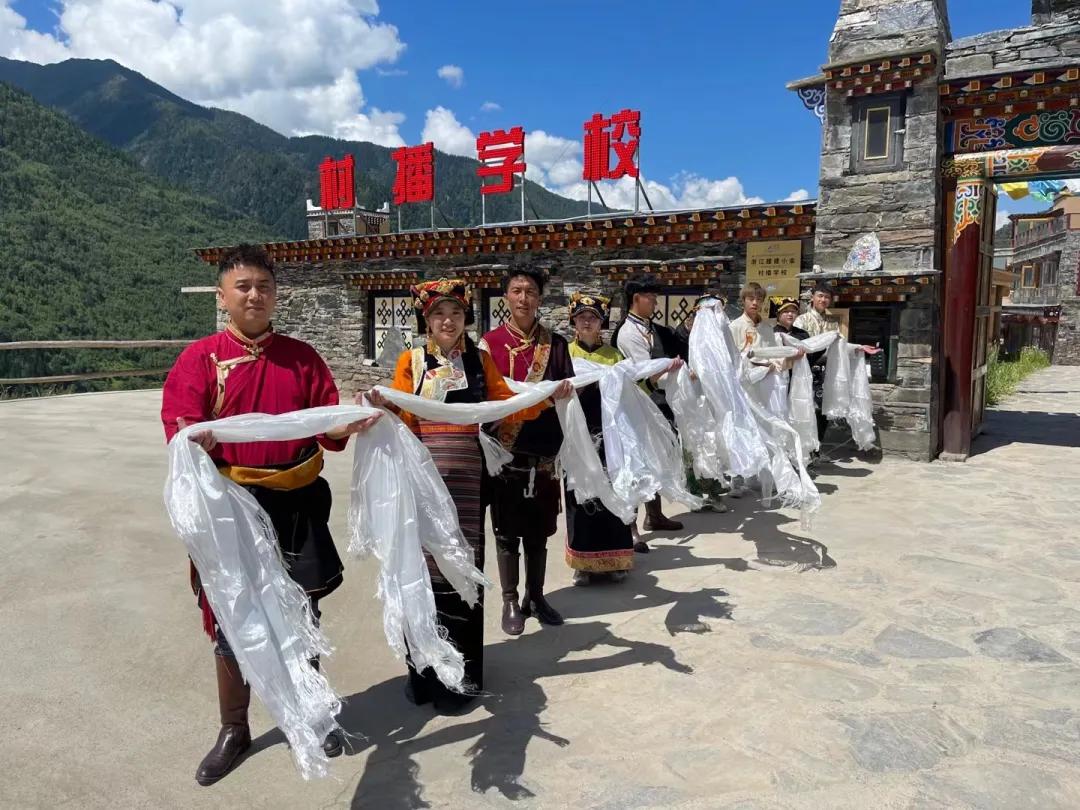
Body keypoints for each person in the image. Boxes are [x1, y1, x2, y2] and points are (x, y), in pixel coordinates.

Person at [161, 244, 379, 786]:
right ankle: (234, 728)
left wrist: (347, 422)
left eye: (264, 286)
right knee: (233, 616)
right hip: (230, 507)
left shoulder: (302, 358)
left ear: (276, 294)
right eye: (243, 286)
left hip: (296, 502)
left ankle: (312, 708)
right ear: (222, 296)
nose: (254, 295)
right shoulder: (200, 360)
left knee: (302, 612)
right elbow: (180, 428)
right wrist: (196, 442)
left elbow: (326, 426)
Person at [367, 278, 567, 710]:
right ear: (426, 320)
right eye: (439, 314)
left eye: (455, 313)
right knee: (424, 574)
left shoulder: (479, 360)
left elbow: (506, 402)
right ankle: (424, 676)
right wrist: (380, 407)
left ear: (466, 318)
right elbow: (400, 413)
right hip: (423, 479)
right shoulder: (411, 361)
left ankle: (462, 679)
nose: (448, 321)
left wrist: (548, 396)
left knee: (463, 571)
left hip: (468, 482)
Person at [479, 269, 575, 635]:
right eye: (516, 291)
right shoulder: (488, 345)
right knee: (507, 533)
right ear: (506, 296)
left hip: (545, 454)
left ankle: (535, 596)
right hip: (507, 455)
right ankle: (509, 600)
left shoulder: (557, 345)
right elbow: (483, 399)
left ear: (540, 298)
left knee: (539, 532)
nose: (523, 298)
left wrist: (565, 393)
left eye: (530, 291)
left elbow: (571, 394)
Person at [564, 292, 635, 584]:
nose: (587, 322)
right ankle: (583, 562)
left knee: (612, 491)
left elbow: (628, 394)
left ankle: (616, 560)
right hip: (576, 434)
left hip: (608, 435)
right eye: (581, 317)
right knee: (581, 495)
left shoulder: (613, 356)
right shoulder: (566, 353)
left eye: (593, 318)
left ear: (601, 323)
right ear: (573, 322)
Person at [613, 275, 685, 546]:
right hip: (636, 404)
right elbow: (644, 372)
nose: (655, 303)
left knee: (655, 458)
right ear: (636, 299)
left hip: (655, 402)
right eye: (651, 298)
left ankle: (654, 515)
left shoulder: (651, 328)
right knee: (634, 464)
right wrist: (675, 374)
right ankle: (630, 525)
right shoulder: (628, 333)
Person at [793, 282, 882, 453]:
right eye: (820, 296)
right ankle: (804, 450)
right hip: (807, 369)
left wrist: (858, 347)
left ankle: (817, 449)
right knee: (807, 410)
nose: (823, 300)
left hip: (826, 371)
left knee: (825, 410)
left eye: (827, 297)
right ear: (812, 298)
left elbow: (838, 347)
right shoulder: (801, 320)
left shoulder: (832, 323)